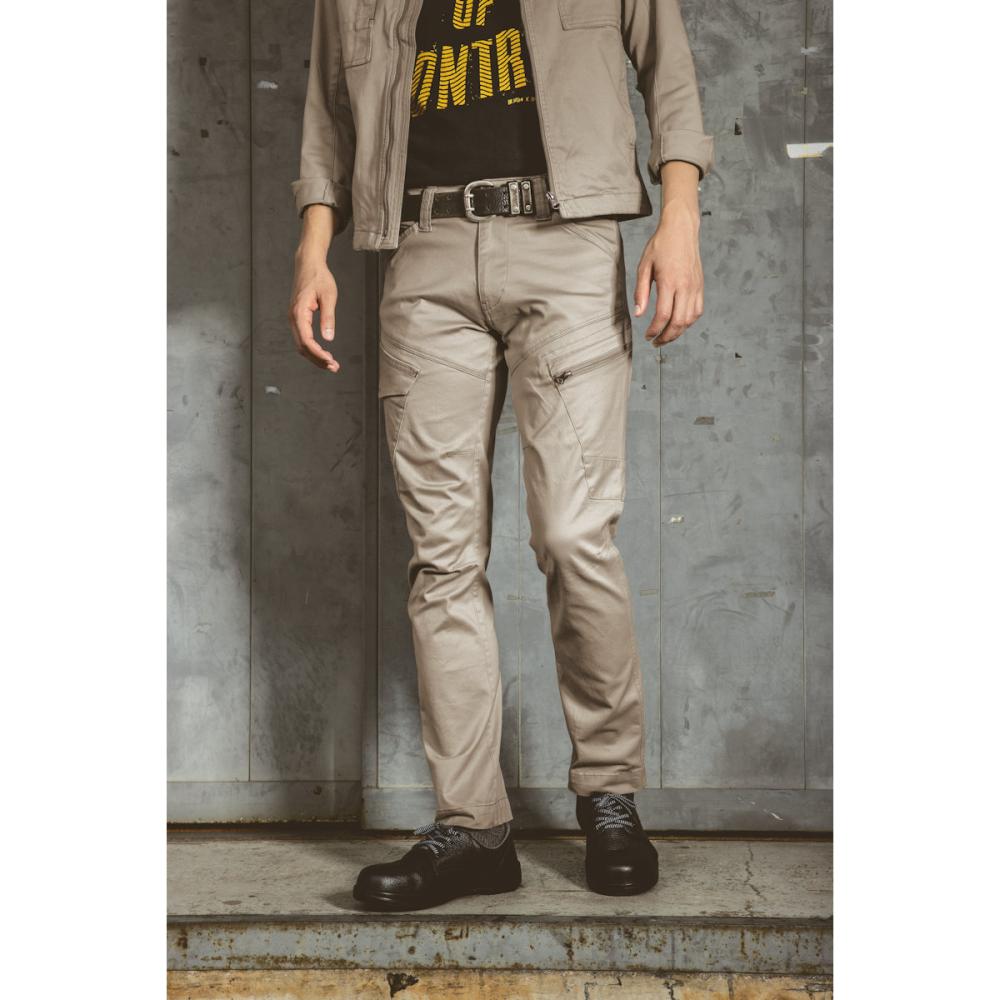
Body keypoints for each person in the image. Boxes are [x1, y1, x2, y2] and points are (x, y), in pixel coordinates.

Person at [288, 0, 713, 911]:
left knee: (572, 536)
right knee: (442, 559)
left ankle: (609, 798)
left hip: (566, 244)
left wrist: (680, 216)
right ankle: (474, 828)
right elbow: (327, 112)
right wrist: (314, 249)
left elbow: (669, 75)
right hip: (423, 255)